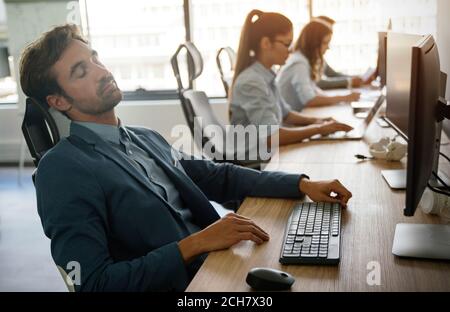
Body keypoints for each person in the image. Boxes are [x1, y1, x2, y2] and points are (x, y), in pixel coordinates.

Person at [20, 24, 352, 291]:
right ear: (59, 101)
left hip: (217, 265)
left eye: (95, 59)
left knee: (327, 268)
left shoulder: (143, 137)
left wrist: (302, 184)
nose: (101, 71)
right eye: (81, 71)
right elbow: (92, 283)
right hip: (188, 283)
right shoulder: (62, 169)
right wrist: (193, 245)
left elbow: (218, 177)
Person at [230, 10, 353, 150]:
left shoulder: (266, 74)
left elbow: (286, 114)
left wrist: (319, 122)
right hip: (256, 161)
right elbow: (272, 137)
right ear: (266, 43)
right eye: (287, 44)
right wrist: (318, 129)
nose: (290, 50)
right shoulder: (252, 81)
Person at [277, 18, 361, 111]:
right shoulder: (299, 64)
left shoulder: (303, 60)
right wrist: (344, 98)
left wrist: (342, 97)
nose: (328, 48)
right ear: (313, 43)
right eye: (325, 43)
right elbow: (309, 100)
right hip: (288, 122)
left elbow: (314, 90)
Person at [314, 16, 376, 90]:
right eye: (327, 31)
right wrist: (349, 82)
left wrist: (358, 78)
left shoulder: (319, 56)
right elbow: (317, 82)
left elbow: (332, 74)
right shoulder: (305, 59)